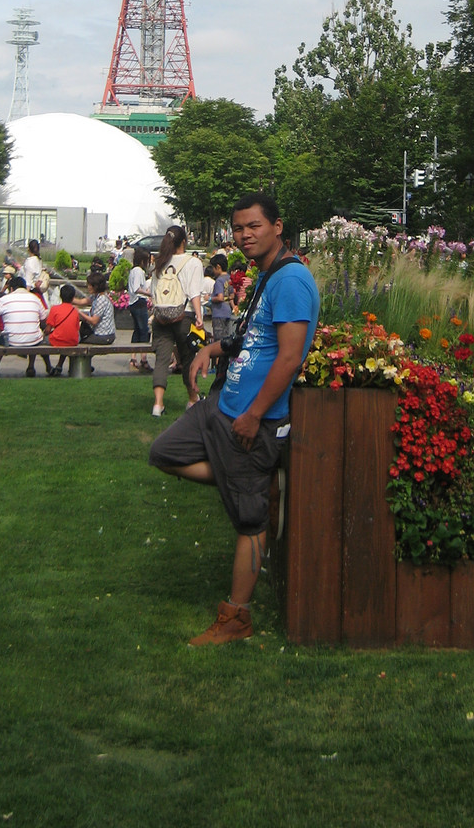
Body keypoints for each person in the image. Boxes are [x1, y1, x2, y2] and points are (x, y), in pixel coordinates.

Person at [149, 191, 320, 646]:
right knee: (163, 452)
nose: (244, 235)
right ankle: (256, 484)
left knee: (250, 522)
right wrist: (211, 347)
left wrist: (254, 415)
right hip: (222, 405)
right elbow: (254, 338)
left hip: (253, 420)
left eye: (254, 227)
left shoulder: (292, 280)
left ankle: (236, 617)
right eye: (239, 228)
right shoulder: (268, 275)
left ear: (277, 227)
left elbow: (288, 358)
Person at [148, 226, 205, 418]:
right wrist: (199, 316)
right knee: (188, 360)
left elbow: (153, 293)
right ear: (184, 241)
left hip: (161, 317)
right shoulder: (193, 262)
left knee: (161, 360)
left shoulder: (160, 262)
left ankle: (158, 404)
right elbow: (194, 292)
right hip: (184, 316)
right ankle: (192, 398)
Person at [0, 275, 49, 377]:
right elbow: (44, 317)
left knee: (0, 334)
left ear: (11, 288)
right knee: (35, 332)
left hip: (11, 340)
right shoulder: (35, 299)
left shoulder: (5, 299)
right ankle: (31, 366)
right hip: (32, 340)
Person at [44, 282, 81, 376]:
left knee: (41, 342)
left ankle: (48, 367)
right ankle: (59, 365)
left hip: (57, 340)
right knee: (66, 337)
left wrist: (44, 333)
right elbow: (76, 328)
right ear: (73, 297)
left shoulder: (54, 309)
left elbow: (48, 329)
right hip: (73, 340)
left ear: (60, 296)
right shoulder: (75, 310)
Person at [127, 246, 152, 370]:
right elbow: (137, 288)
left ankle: (133, 358)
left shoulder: (133, 270)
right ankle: (143, 359)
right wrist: (149, 293)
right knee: (144, 331)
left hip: (133, 303)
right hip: (139, 302)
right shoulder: (138, 271)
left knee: (137, 330)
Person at [78, 272, 116, 349]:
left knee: (77, 339)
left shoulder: (101, 299)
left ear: (96, 286)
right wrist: (67, 300)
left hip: (104, 336)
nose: (88, 287)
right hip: (101, 334)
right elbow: (82, 302)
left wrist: (79, 312)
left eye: (90, 285)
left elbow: (94, 321)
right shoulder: (96, 296)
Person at [208, 253, 233, 347]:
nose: (213, 271)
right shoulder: (230, 278)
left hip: (219, 313)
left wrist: (210, 298)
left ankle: (218, 361)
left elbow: (220, 297)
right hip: (228, 311)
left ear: (218, 267)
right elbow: (232, 295)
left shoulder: (219, 280)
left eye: (213, 268)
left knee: (218, 342)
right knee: (227, 340)